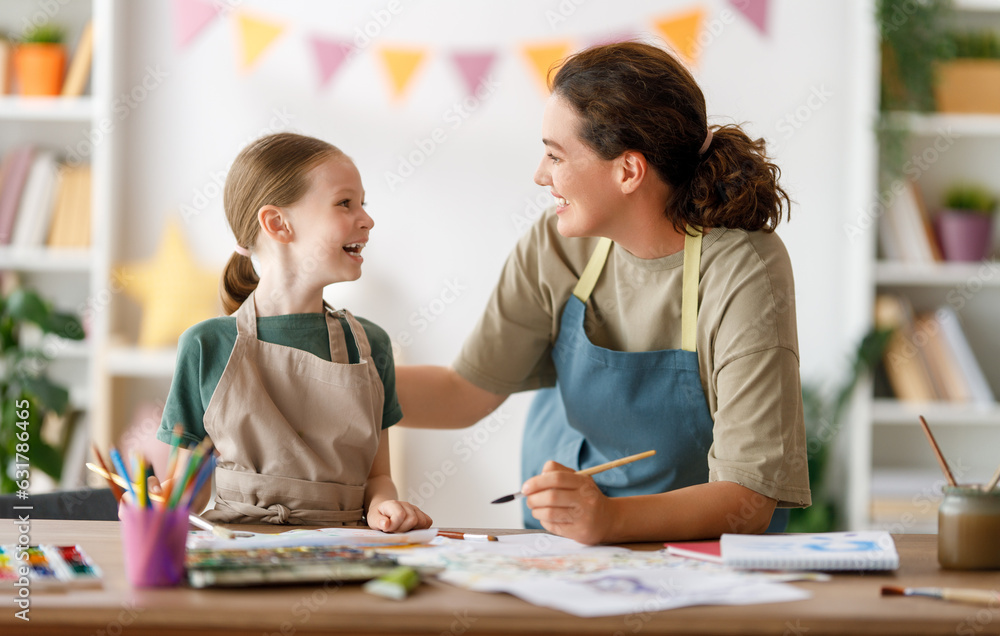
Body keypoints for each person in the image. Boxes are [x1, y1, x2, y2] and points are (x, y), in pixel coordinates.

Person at [396, 42, 810, 544]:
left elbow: (750, 496)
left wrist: (611, 520)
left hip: (698, 556)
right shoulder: (558, 241)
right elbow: (465, 394)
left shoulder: (743, 270)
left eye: (555, 155)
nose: (540, 174)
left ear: (628, 171)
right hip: (560, 544)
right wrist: (336, 381)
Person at [152, 132, 431, 532]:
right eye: (345, 203)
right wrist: (155, 504)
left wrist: (385, 505)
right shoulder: (206, 345)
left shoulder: (371, 346)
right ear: (278, 224)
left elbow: (377, 478)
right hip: (238, 554)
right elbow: (188, 494)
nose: (367, 219)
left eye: (362, 204)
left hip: (346, 554)